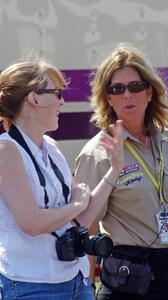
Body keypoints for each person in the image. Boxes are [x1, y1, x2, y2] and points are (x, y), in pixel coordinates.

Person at [74, 44, 168, 300]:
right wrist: (86, 289)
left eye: (135, 86)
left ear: (149, 92)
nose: (126, 95)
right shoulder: (96, 154)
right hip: (131, 280)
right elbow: (87, 230)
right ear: (107, 98)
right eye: (116, 89)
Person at [0, 60, 124, 300]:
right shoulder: (6, 150)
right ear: (34, 99)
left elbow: (80, 221)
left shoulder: (52, 148)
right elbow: (32, 223)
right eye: (56, 93)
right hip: (31, 286)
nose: (62, 101)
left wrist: (114, 170)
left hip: (76, 281)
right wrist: (75, 205)